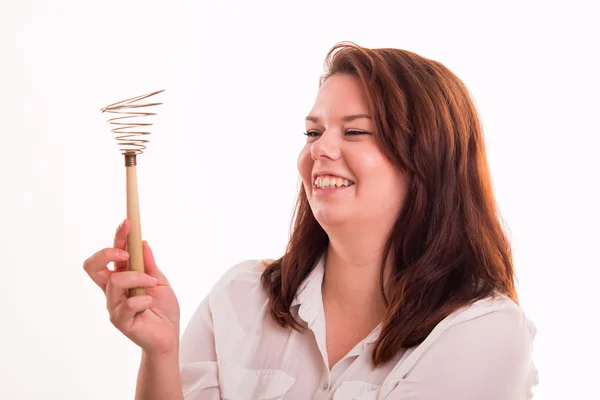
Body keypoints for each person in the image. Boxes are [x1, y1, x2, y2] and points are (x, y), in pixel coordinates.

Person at [83, 41, 539, 399]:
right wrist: (161, 353)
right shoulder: (241, 297)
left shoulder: (483, 332)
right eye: (313, 132)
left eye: (355, 131)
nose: (320, 149)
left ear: (430, 161)